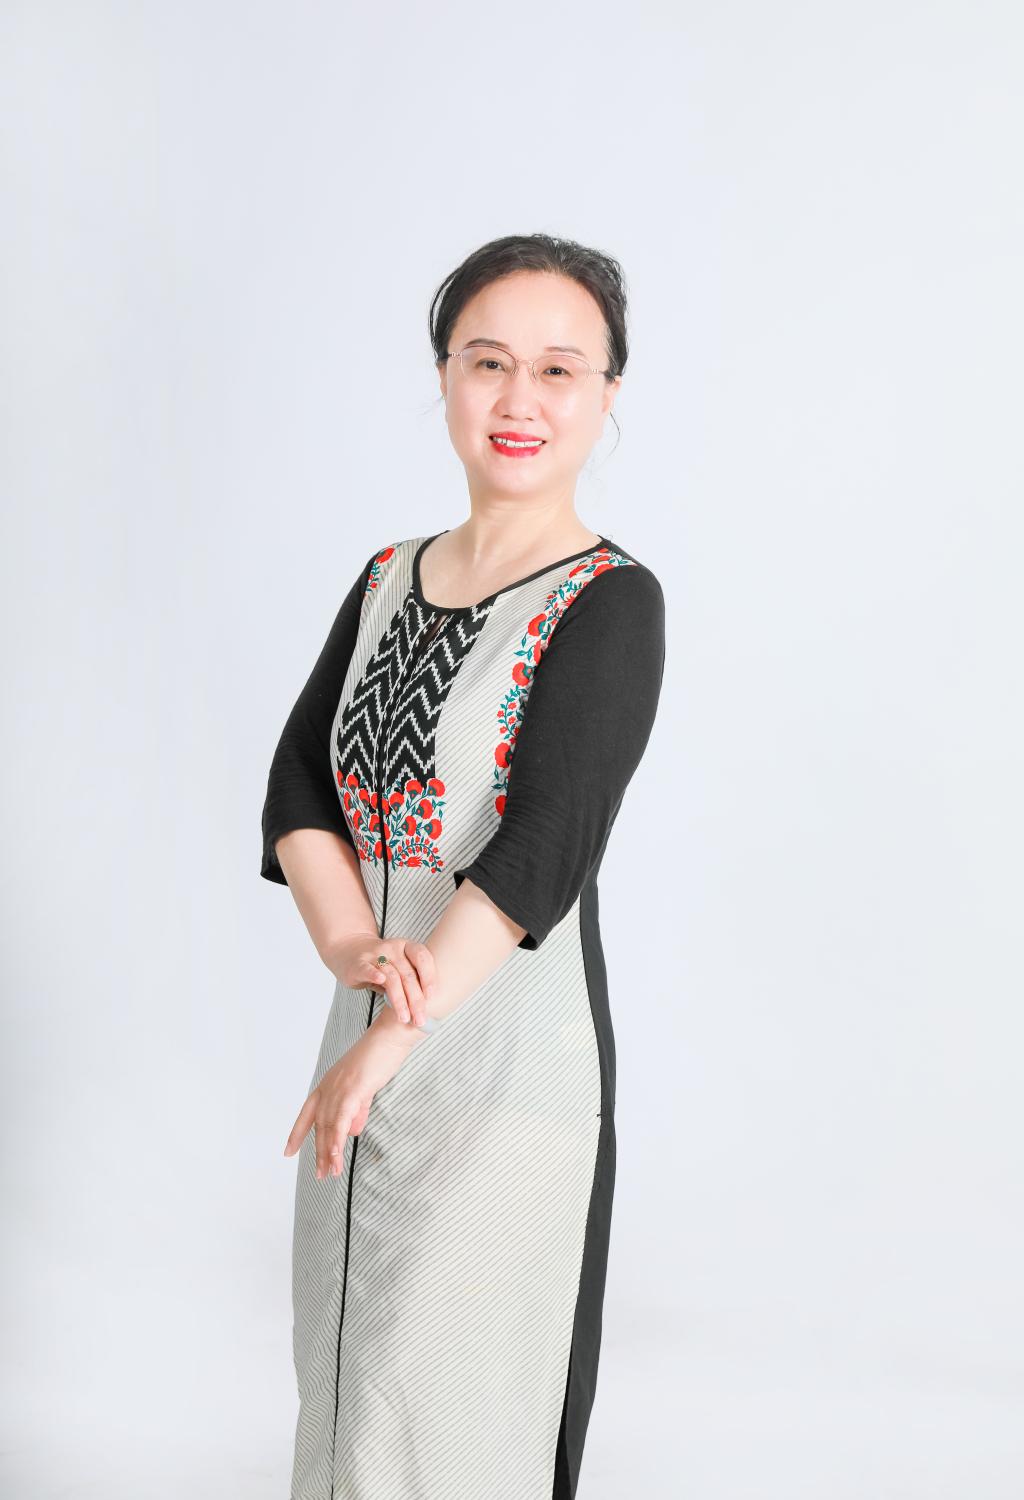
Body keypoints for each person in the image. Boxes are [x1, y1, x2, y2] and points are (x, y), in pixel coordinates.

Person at [260, 232, 666, 1500]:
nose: (518, 398)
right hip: (363, 1051)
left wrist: (396, 1033)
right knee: (348, 1385)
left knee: (456, 1408)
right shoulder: (387, 578)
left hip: (505, 1074)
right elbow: (300, 784)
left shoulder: (609, 602)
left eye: (558, 368)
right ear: (443, 377)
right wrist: (351, 952)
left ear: (607, 395)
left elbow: (545, 842)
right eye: (488, 362)